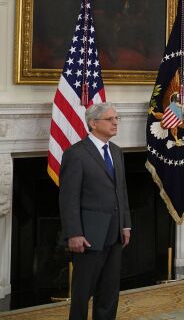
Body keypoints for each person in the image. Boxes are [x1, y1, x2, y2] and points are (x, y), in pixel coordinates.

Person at [59, 103, 131, 320]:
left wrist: (125, 225)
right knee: (83, 293)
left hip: (115, 233)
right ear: (93, 123)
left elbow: (122, 191)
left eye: (117, 118)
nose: (115, 122)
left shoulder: (117, 151)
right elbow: (68, 198)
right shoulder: (76, 154)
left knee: (109, 292)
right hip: (89, 235)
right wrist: (73, 233)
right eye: (110, 119)